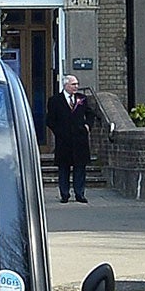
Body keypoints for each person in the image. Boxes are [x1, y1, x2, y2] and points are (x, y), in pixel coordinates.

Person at [44, 73, 93, 203]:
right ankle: (64, 194)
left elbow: (90, 113)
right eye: (73, 84)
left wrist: (87, 126)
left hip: (79, 139)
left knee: (80, 168)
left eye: (77, 84)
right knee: (64, 168)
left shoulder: (82, 99)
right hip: (64, 141)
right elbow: (50, 120)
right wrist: (59, 132)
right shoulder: (55, 100)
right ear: (66, 85)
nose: (76, 86)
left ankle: (79, 193)